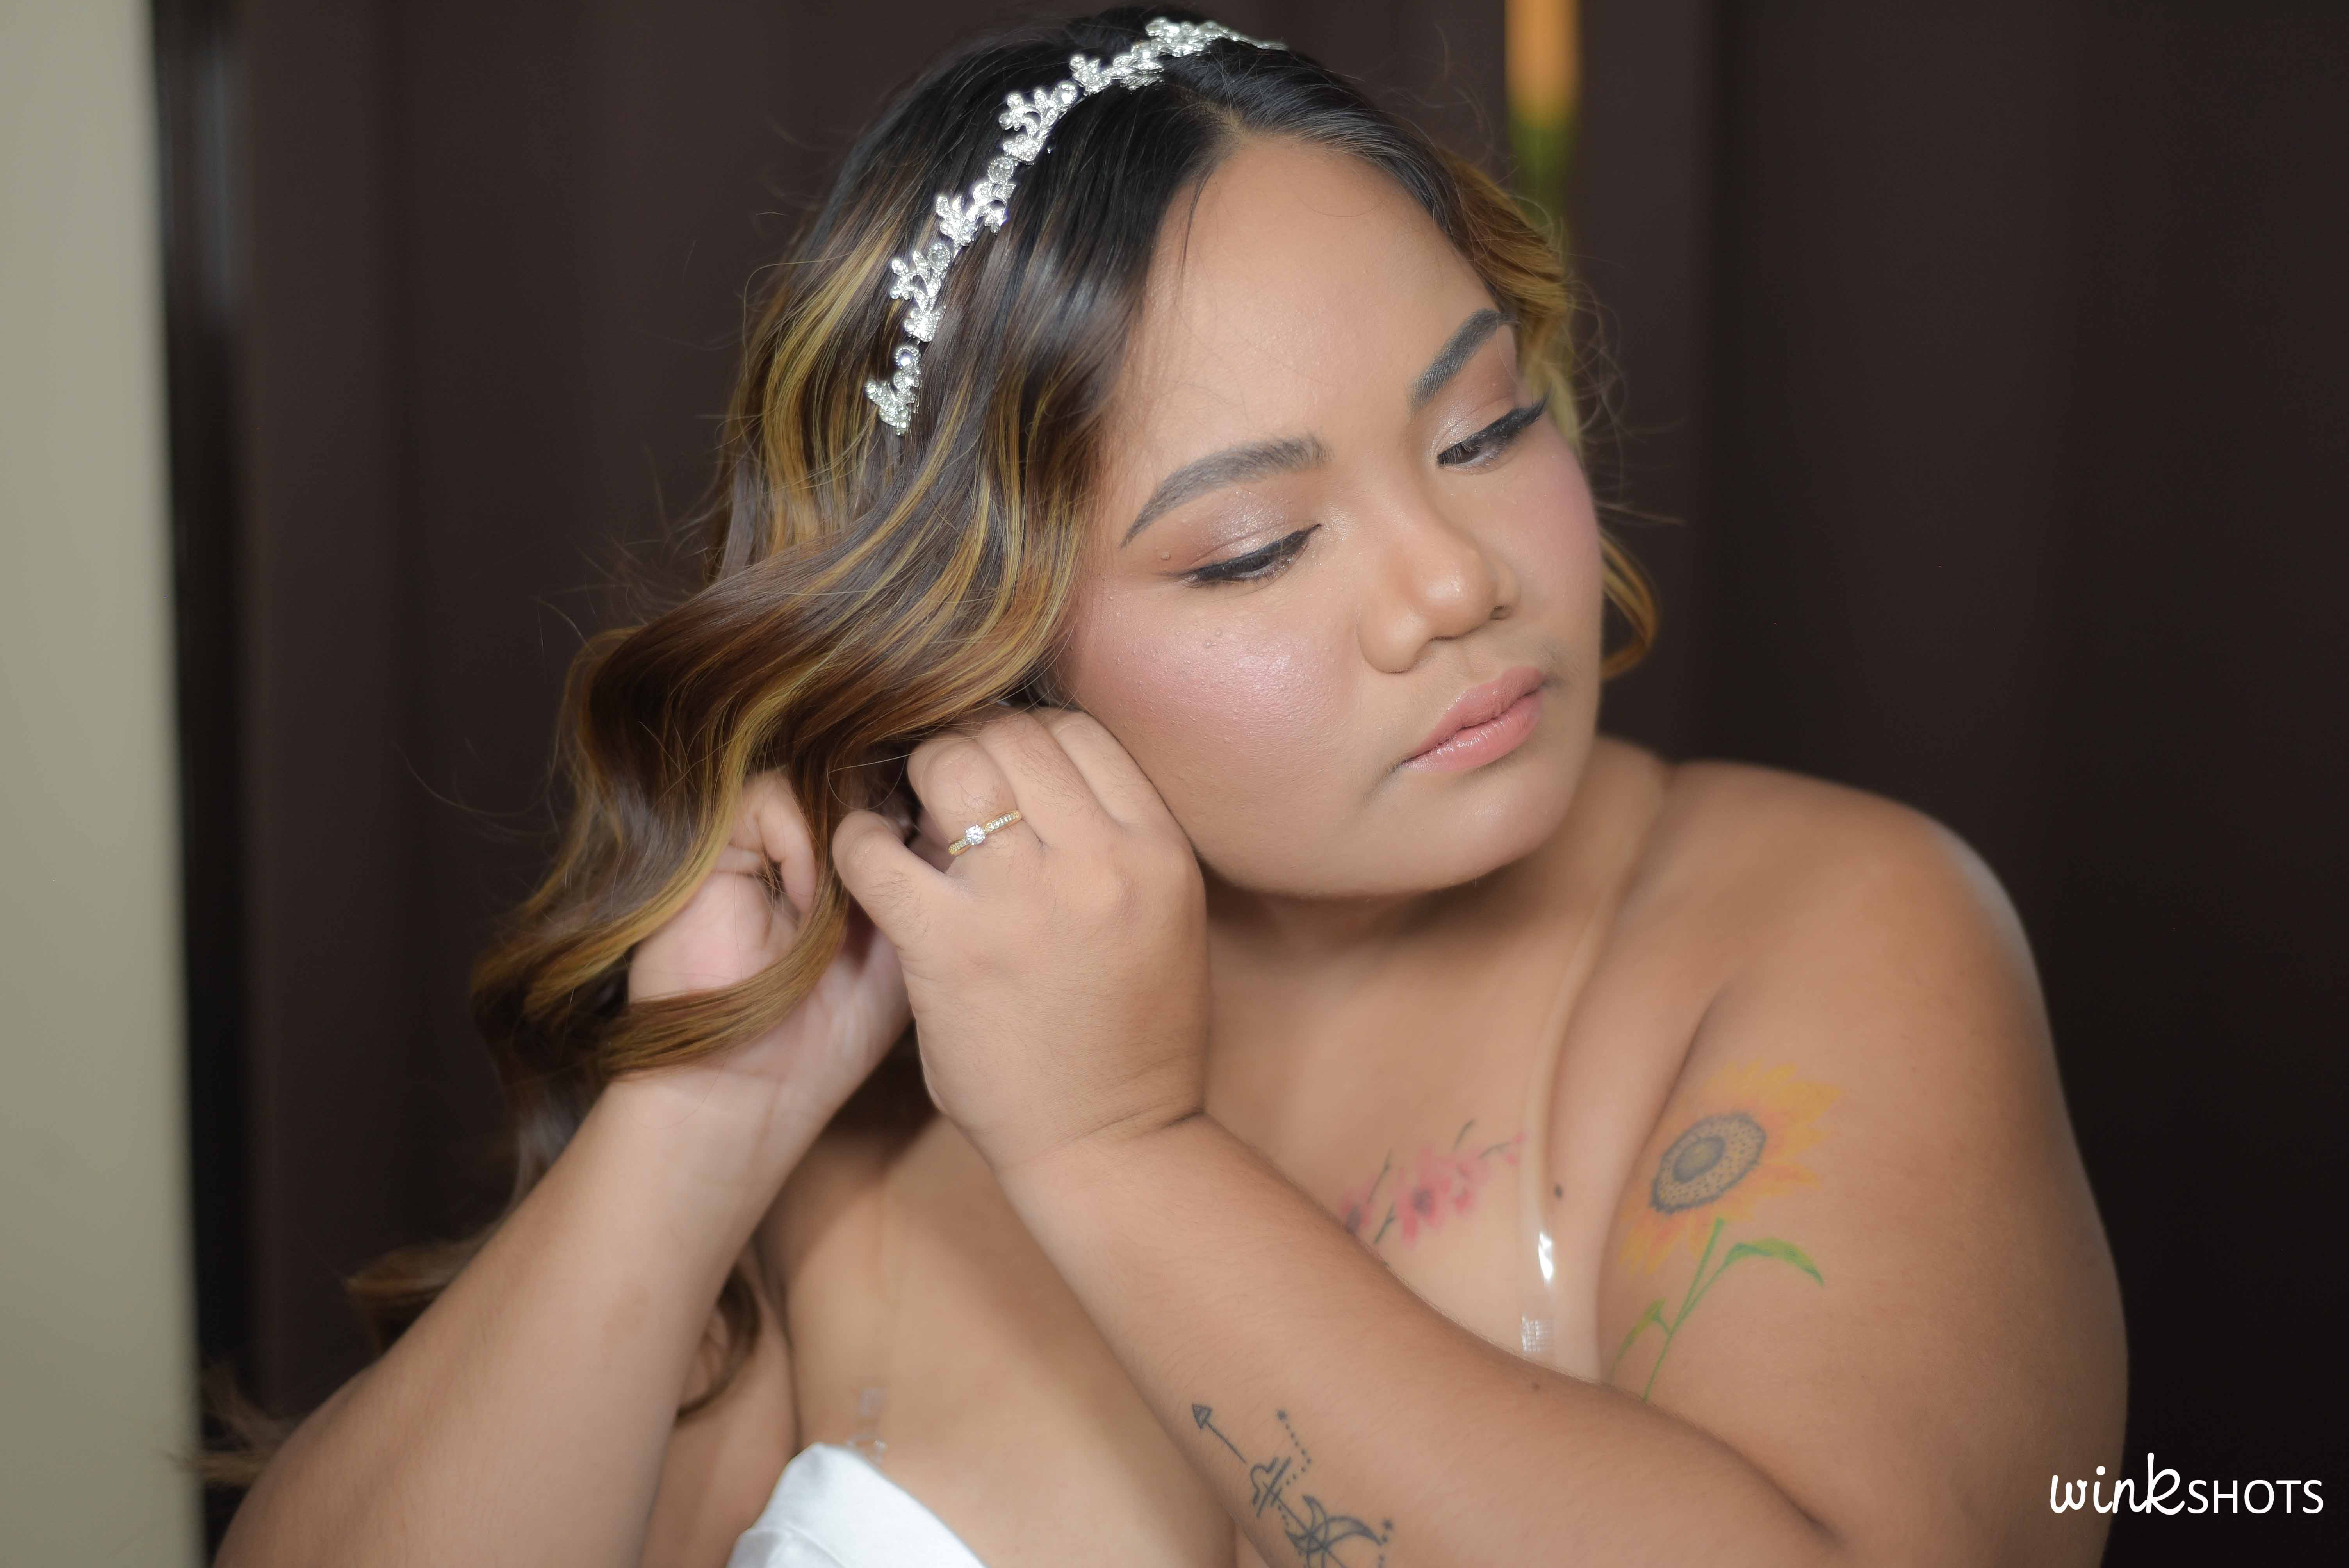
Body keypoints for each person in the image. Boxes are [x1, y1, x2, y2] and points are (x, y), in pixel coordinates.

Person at [213, 9, 2126, 1565]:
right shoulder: (862, 1136)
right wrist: (702, 1110)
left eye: (1484, 426)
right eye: (1253, 548)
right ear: (982, 655)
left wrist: (1115, 1148)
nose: (1453, 582)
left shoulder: (1830, 930)